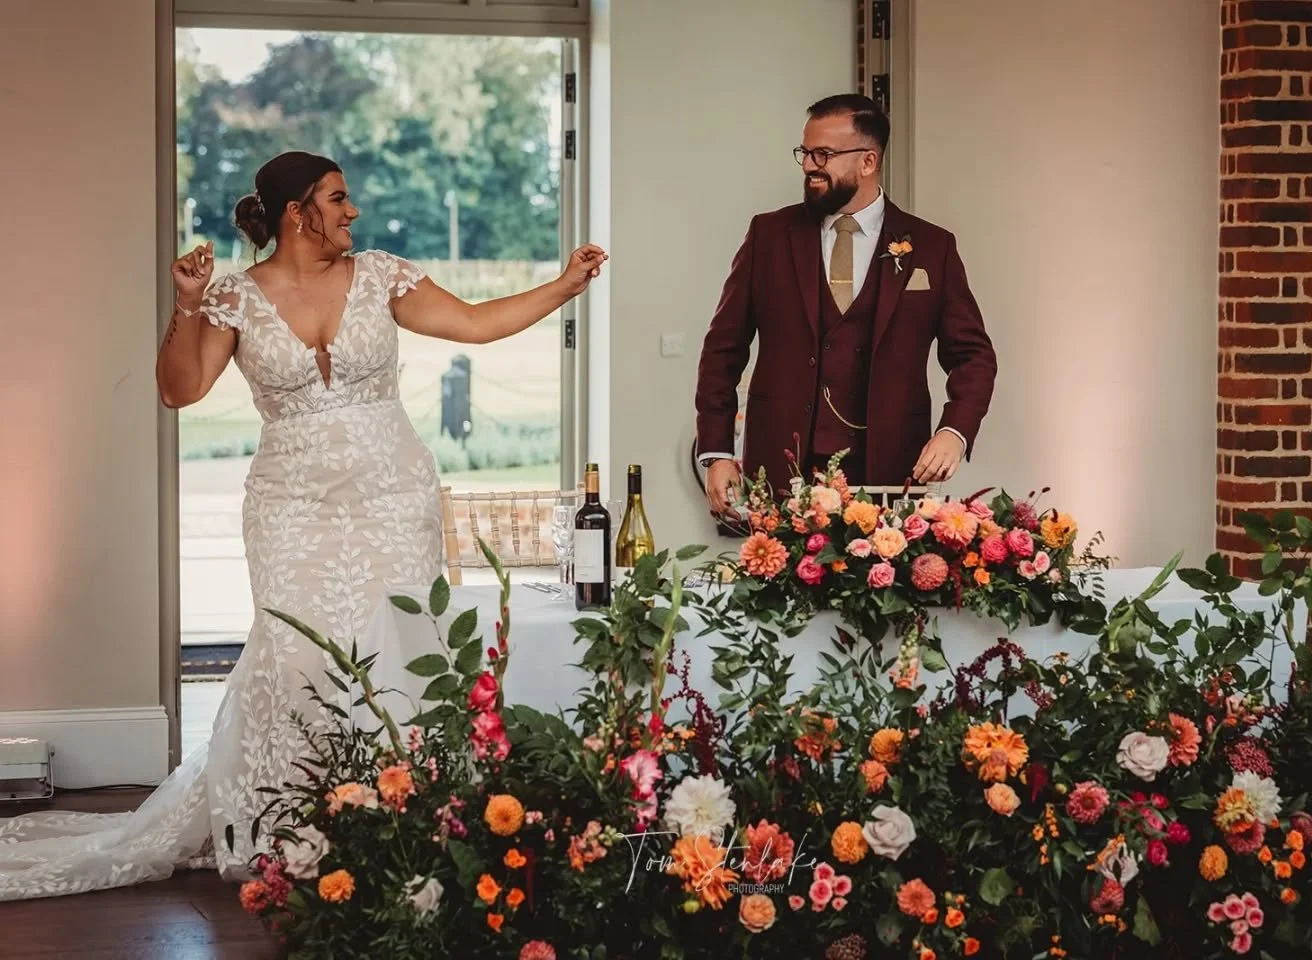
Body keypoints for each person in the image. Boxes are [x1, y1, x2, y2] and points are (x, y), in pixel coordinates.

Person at [0, 150, 605, 900]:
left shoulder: (383, 274)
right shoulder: (235, 298)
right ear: (298, 212)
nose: (353, 212)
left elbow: (478, 325)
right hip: (290, 504)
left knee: (399, 646)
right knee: (293, 655)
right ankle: (293, 822)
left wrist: (565, 285)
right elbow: (179, 390)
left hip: (392, 495)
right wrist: (186, 303)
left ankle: (400, 813)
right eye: (339, 198)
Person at [694, 94, 997, 517]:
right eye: (805, 152)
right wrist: (717, 451)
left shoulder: (932, 247)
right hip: (782, 469)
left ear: (868, 162)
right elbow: (722, 349)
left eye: (824, 154)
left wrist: (954, 431)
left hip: (891, 470)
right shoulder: (768, 236)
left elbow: (974, 357)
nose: (809, 165)